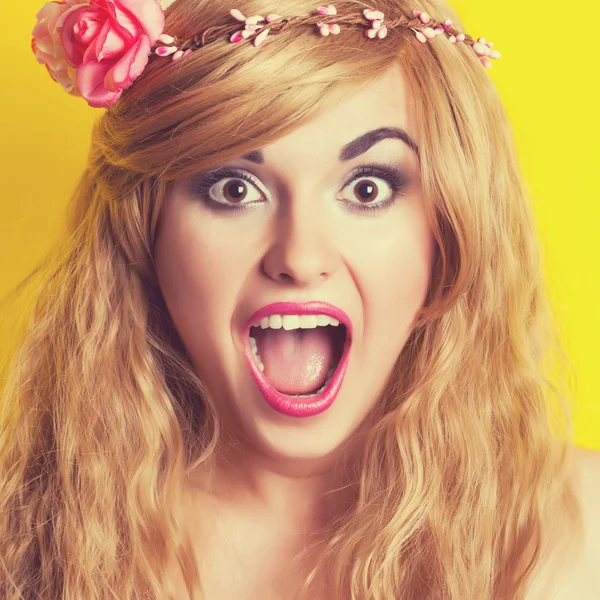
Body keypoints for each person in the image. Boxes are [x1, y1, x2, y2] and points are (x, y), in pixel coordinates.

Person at [1, 0, 597, 598]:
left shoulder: (588, 533)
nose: (299, 257)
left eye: (367, 189)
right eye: (235, 189)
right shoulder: (23, 539)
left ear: (450, 230)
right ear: (147, 231)